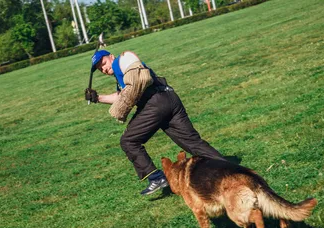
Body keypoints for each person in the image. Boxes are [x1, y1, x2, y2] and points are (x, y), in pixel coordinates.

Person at [86, 50, 228, 195]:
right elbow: (121, 96)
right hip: (169, 98)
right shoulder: (121, 75)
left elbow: (132, 62)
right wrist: (97, 98)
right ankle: (229, 170)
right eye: (99, 68)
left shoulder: (121, 60)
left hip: (155, 103)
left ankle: (156, 177)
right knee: (192, 142)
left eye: (103, 63)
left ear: (111, 56)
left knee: (128, 141)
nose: (103, 69)